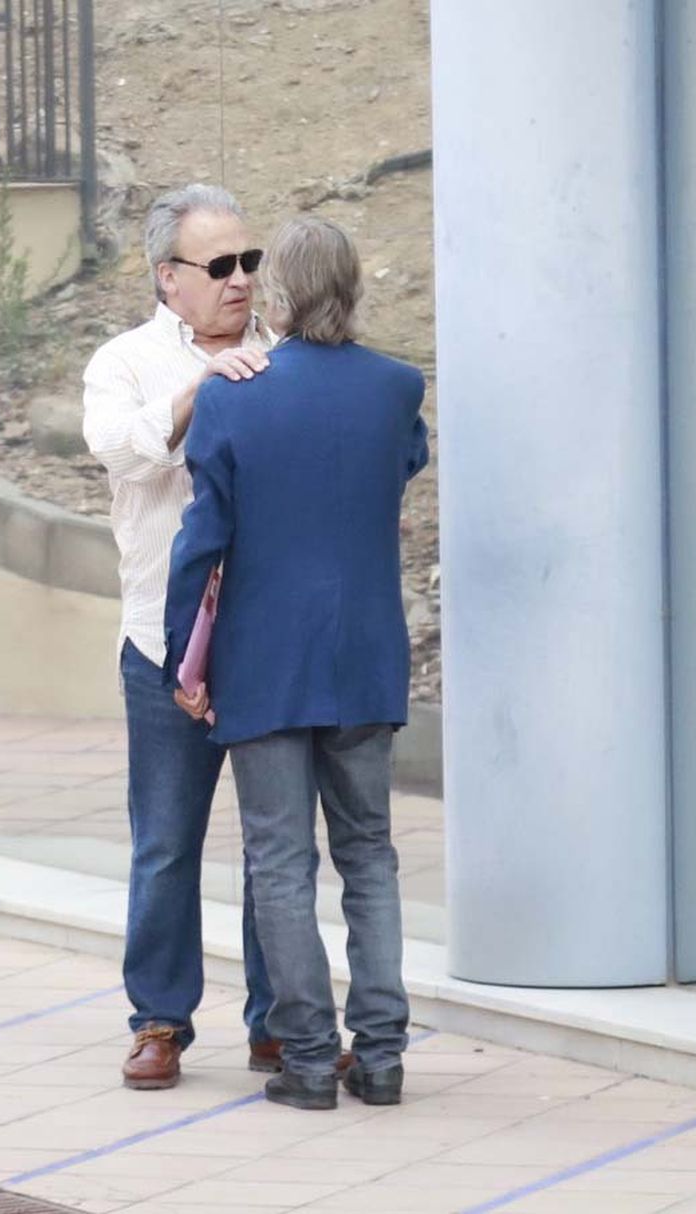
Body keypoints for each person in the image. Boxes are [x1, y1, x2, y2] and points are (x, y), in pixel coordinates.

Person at [164, 216, 429, 1110]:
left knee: (279, 864)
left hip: (265, 660)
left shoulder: (237, 397)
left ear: (275, 293)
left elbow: (202, 543)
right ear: (352, 288)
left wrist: (183, 662)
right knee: (370, 857)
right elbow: (405, 462)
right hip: (364, 657)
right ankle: (383, 1056)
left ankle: (309, 1061)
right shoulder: (396, 387)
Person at [82, 183, 278, 1089]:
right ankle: (159, 1021)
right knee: (166, 842)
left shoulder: (288, 357)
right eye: (221, 266)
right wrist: (199, 393)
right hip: (162, 645)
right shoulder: (123, 362)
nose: (241, 281)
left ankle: (279, 1021)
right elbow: (120, 451)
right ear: (169, 279)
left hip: (269, 641)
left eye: (250, 262)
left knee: (276, 842)